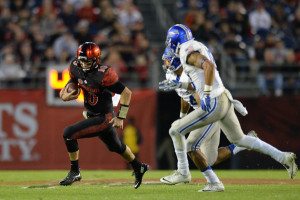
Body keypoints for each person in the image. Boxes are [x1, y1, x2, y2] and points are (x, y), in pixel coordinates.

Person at [159, 24, 298, 191]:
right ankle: (283, 157)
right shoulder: (195, 46)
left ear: (174, 39)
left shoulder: (186, 52)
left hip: (214, 102)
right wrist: (184, 89)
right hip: (223, 97)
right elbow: (194, 84)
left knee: (177, 132)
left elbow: (207, 67)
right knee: (236, 141)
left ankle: (188, 174)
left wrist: (207, 93)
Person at [159, 47, 256, 192]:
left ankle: (187, 174)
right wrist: (182, 117)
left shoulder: (191, 74)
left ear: (175, 61)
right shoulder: (172, 75)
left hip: (209, 111)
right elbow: (184, 97)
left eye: (167, 60)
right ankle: (240, 145)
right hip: (202, 113)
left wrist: (187, 123)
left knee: (191, 146)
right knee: (208, 160)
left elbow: (199, 100)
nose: (165, 63)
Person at [59, 42, 149, 189]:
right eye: (81, 60)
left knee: (68, 133)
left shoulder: (103, 74)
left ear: (96, 60)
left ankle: (75, 171)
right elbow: (74, 80)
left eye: (87, 61)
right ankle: (139, 166)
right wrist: (67, 90)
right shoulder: (75, 66)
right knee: (116, 146)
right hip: (91, 114)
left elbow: (126, 93)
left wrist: (120, 117)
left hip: (104, 117)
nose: (83, 64)